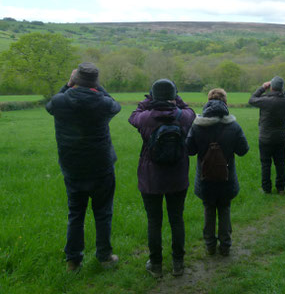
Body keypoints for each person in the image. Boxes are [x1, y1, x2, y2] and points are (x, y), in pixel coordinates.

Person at [46, 62, 121, 272]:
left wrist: (68, 84)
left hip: (73, 168)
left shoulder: (61, 100)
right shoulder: (103, 102)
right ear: (95, 82)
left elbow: (49, 106)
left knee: (76, 215)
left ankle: (73, 261)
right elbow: (115, 104)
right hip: (101, 167)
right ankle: (105, 257)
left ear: (75, 79)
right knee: (103, 214)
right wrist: (98, 86)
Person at [128, 79, 195, 278]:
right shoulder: (184, 117)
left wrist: (149, 99)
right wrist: (176, 98)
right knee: (177, 220)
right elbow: (188, 108)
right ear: (174, 96)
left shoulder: (145, 118)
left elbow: (133, 116)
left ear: (153, 96)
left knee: (154, 222)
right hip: (177, 176)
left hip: (151, 178)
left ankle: (156, 265)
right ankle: (178, 264)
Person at [186, 89, 249, 257]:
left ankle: (210, 246)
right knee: (225, 208)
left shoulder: (197, 126)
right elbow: (243, 150)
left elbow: (189, 150)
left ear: (208, 102)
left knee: (208, 209)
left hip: (205, 179)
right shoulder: (233, 126)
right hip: (226, 178)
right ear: (225, 103)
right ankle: (225, 246)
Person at [249, 76, 285, 194]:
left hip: (265, 137)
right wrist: (277, 87)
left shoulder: (265, 100)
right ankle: (281, 188)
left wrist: (263, 88)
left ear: (271, 87)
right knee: (280, 163)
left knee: (266, 164)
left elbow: (251, 99)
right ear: (282, 88)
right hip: (280, 136)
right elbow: (283, 94)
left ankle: (266, 188)